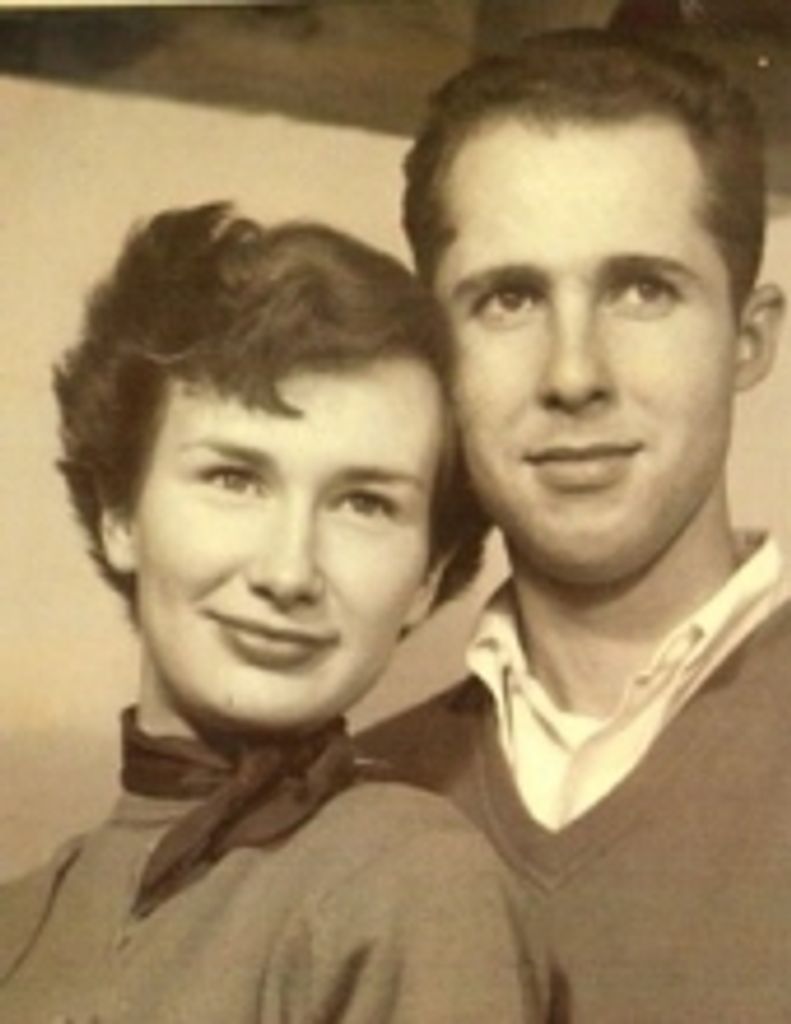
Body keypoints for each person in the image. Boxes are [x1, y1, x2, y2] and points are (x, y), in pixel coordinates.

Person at [0, 203, 543, 1022]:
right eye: (234, 479)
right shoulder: (21, 919)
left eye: (363, 503)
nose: (288, 572)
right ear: (120, 514)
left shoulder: (408, 882)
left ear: (428, 576)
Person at [359, 28, 791, 1021]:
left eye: (641, 290)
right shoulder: (350, 805)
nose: (571, 374)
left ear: (748, 338)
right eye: (508, 299)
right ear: (432, 354)